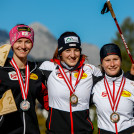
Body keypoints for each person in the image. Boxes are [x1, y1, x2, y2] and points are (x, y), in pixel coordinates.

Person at [39, 31, 102, 134]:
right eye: (67, 50)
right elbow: (32, 84)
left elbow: (111, 83)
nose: (72, 55)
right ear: (60, 52)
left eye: (76, 50)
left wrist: (130, 75)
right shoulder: (48, 68)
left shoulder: (90, 70)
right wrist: (47, 104)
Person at [0, 24, 48, 134]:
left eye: (27, 41)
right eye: (19, 41)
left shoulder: (37, 70)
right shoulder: (2, 69)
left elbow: (48, 102)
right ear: (12, 43)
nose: (23, 46)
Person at [92, 43, 134, 134]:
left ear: (121, 61)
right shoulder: (95, 86)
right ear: (101, 63)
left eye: (115, 59)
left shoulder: (131, 85)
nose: (112, 64)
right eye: (107, 60)